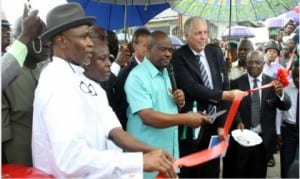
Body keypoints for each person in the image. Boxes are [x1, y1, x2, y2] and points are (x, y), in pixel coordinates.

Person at [32, 3, 176, 178]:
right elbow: (71, 160)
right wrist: (139, 161)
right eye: (84, 37)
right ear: (62, 40)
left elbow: (115, 132)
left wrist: (153, 151)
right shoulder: (55, 81)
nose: (90, 43)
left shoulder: (89, 83)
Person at [125, 31, 211, 178]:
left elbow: (169, 110)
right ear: (148, 49)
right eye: (162, 49)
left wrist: (180, 101)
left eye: (170, 50)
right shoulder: (137, 77)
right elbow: (148, 117)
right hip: (146, 161)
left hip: (168, 157)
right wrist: (186, 118)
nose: (168, 54)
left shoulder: (167, 73)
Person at [171, 16, 247, 178]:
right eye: (198, 33)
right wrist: (223, 95)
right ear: (187, 35)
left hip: (215, 126)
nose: (203, 37)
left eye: (205, 32)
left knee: (211, 172)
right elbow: (192, 87)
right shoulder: (179, 57)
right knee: (188, 171)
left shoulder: (215, 52)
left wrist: (222, 124)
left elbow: (225, 86)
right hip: (192, 126)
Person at [229, 50, 291, 178]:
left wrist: (281, 94)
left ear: (263, 64)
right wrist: (238, 121)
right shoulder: (236, 83)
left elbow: (286, 105)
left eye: (257, 62)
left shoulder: (272, 83)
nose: (254, 66)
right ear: (246, 64)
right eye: (250, 62)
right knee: (239, 173)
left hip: (263, 142)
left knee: (258, 174)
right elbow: (232, 108)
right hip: (242, 140)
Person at [2, 14, 49, 166]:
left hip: (45, 155)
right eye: (39, 37)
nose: (47, 43)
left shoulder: (46, 70)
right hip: (19, 159)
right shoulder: (7, 74)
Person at [114, 27, 150, 129]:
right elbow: (121, 105)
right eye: (144, 45)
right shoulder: (125, 73)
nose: (148, 49)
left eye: (150, 45)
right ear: (135, 46)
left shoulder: (156, 68)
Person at [1, 8, 45, 90]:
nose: (45, 44)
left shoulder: (46, 68)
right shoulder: (11, 70)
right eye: (37, 40)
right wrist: (25, 35)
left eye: (8, 29)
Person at [276, 65, 299, 178]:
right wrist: (278, 132)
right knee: (286, 163)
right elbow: (279, 110)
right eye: (295, 76)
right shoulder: (285, 87)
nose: (297, 79)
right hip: (288, 130)